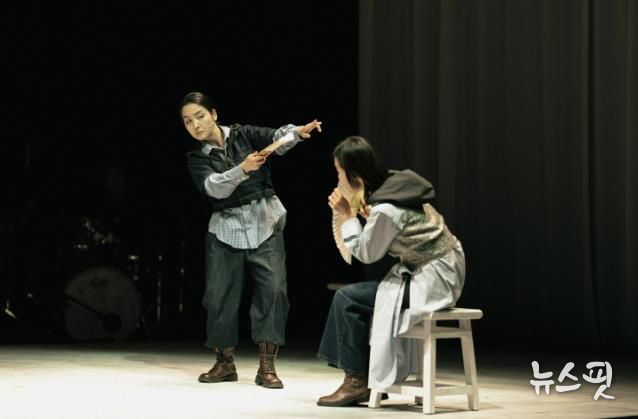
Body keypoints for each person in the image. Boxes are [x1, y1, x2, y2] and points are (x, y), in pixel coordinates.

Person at [179, 91, 321, 389]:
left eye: (200, 116)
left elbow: (276, 138)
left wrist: (297, 133)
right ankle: (224, 362)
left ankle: (267, 366)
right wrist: (242, 169)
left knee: (274, 291)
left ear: (214, 114)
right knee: (218, 296)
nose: (195, 125)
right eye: (188, 121)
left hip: (264, 220)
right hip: (224, 228)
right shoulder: (196, 158)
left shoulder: (244, 134)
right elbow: (213, 188)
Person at [317, 136, 465, 406]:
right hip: (443, 270)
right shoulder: (397, 186)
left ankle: (356, 380)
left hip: (432, 279)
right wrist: (365, 215)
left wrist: (348, 217)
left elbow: (367, 254)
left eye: (339, 172)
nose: (338, 179)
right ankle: (369, 377)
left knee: (347, 298)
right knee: (361, 295)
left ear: (353, 175)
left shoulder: (386, 208)